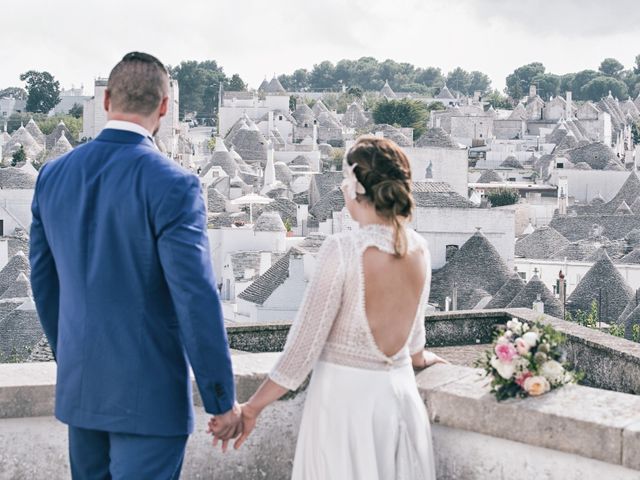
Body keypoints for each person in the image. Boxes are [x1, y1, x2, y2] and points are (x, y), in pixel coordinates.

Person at [30, 52, 241, 479]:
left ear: (106, 100)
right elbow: (195, 297)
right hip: (149, 396)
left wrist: (74, 359)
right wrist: (221, 399)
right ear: (164, 107)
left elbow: (43, 283)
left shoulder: (52, 176)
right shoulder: (174, 184)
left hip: (83, 390)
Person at [213, 136, 447, 478]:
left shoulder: (343, 250)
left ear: (355, 189)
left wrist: (252, 408)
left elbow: (300, 353)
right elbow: (415, 348)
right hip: (399, 402)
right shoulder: (420, 249)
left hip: (346, 407)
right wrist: (424, 359)